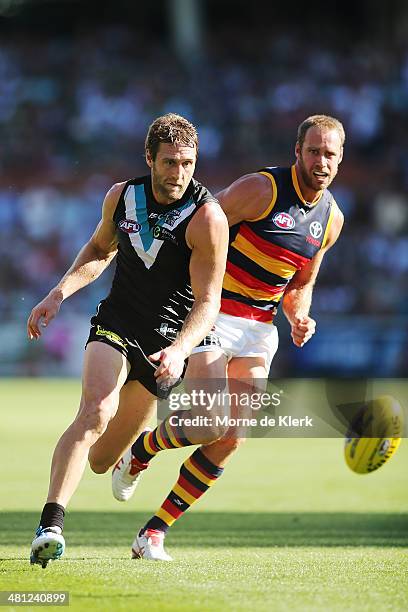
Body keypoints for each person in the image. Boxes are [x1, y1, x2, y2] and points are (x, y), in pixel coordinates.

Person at [91, 114, 346, 561]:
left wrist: (300, 317)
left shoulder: (331, 220)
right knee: (210, 421)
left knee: (232, 436)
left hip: (259, 327)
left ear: (340, 159)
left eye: (329, 154)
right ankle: (141, 450)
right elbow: (202, 222)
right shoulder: (262, 190)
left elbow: (300, 283)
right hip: (213, 313)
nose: (320, 161)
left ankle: (152, 532)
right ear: (297, 152)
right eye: (313, 151)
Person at [26, 113, 229, 568]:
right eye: (170, 163)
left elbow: (208, 300)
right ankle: (50, 526)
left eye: (188, 163)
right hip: (117, 324)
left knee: (101, 460)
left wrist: (179, 350)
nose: (179, 173)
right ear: (150, 159)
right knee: (95, 411)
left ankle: (136, 455)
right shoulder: (122, 197)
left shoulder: (208, 217)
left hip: (165, 346)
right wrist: (58, 294)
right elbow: (100, 250)